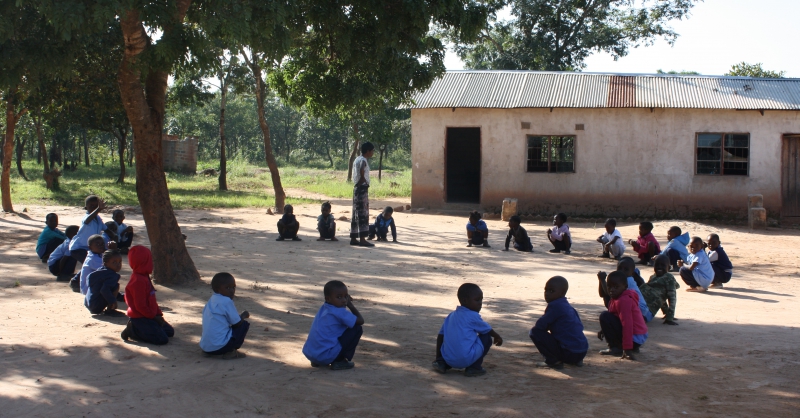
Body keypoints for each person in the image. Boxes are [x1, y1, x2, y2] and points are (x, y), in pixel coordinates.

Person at [432, 283, 503, 377]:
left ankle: (442, 363)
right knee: (486, 336)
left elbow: (440, 336)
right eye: (477, 300)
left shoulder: (451, 316)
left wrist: (438, 358)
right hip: (466, 359)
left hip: (449, 359)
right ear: (465, 301)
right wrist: (497, 336)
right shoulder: (473, 316)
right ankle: (474, 367)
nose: (480, 303)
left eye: (481, 300)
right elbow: (488, 330)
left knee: (450, 337)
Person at [302, 280, 365, 370]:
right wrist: (350, 305)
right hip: (326, 356)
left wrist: (342, 300)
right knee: (357, 328)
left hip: (311, 354)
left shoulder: (325, 307)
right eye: (339, 297)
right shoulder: (339, 311)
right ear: (328, 298)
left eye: (345, 296)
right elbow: (361, 321)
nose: (344, 300)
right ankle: (339, 361)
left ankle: (317, 361)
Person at [529, 276, 589, 369]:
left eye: (551, 291)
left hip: (569, 353)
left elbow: (540, 326)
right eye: (546, 290)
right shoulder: (568, 306)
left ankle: (553, 361)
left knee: (535, 332)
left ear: (562, 293)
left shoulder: (555, 306)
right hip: (582, 351)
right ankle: (577, 361)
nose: (547, 294)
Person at [121, 246, 175, 345]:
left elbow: (152, 299)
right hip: (140, 317)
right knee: (162, 340)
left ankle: (145, 328)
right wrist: (154, 317)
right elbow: (140, 306)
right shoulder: (138, 280)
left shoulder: (144, 276)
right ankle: (132, 330)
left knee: (169, 332)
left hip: (149, 314)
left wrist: (158, 314)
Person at [598, 271, 648, 360]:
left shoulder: (623, 300)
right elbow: (615, 317)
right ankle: (631, 347)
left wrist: (627, 349)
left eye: (616, 287)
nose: (612, 290)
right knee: (607, 316)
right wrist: (604, 330)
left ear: (625, 287)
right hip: (638, 336)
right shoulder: (617, 297)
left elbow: (627, 324)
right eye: (609, 286)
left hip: (635, 337)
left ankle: (615, 348)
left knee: (604, 316)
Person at [200, 272, 251, 359]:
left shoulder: (212, 300)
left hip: (206, 347)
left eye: (233, 287)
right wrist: (243, 315)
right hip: (219, 347)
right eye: (227, 288)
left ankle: (212, 352)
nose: (232, 291)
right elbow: (237, 323)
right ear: (217, 289)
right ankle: (229, 352)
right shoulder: (226, 301)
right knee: (243, 325)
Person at [597, 257, 652, 322]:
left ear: (632, 273)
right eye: (620, 268)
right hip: (638, 312)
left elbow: (608, 293)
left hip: (642, 314)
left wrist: (603, 280)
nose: (622, 271)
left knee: (612, 295)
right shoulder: (619, 280)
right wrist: (600, 281)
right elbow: (602, 294)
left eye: (626, 269)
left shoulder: (628, 281)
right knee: (609, 296)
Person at [639, 255, 680, 325]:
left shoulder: (669, 278)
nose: (659, 267)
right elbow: (661, 298)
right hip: (639, 303)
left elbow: (672, 298)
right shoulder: (653, 277)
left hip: (647, 310)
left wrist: (670, 317)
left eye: (663, 265)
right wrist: (666, 312)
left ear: (669, 268)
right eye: (657, 264)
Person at [70, 195, 112, 264]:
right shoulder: (86, 217)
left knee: (90, 265)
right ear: (86, 208)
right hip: (79, 248)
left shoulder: (98, 219)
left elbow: (106, 229)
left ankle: (80, 275)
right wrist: (98, 209)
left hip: (89, 248)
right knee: (91, 264)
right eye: (91, 206)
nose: (94, 208)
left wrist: (114, 236)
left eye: (96, 206)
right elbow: (87, 221)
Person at [84, 250, 124, 316]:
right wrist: (113, 301)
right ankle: (110, 310)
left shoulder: (100, 271)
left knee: (111, 286)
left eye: (120, 262)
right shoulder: (112, 275)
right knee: (116, 286)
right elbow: (104, 290)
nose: (118, 265)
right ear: (106, 264)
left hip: (88, 303)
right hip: (96, 307)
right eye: (114, 262)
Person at [350, 142, 375, 247]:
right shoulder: (363, 160)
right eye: (372, 151)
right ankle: (362, 239)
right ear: (368, 151)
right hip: (362, 188)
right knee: (363, 213)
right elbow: (361, 171)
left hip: (356, 188)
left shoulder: (357, 159)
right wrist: (363, 181)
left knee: (356, 213)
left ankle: (354, 237)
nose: (373, 153)